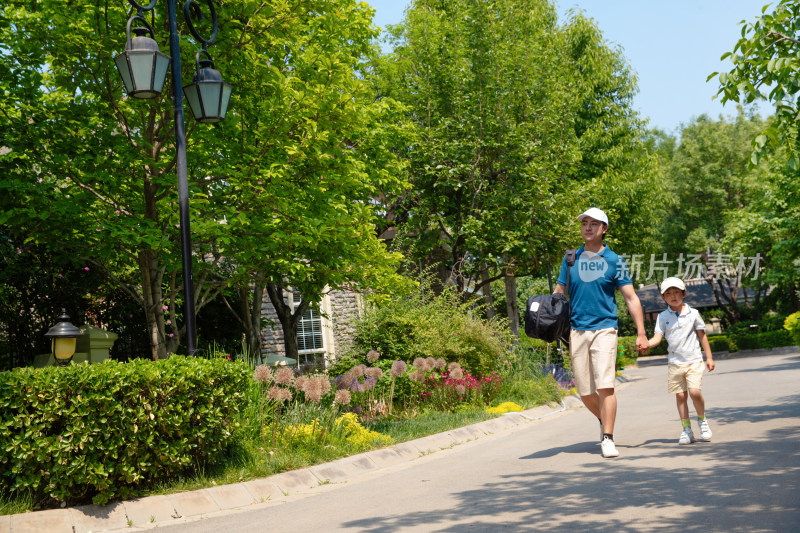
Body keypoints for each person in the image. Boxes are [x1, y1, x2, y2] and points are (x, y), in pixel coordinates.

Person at [554, 207, 648, 458]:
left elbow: (630, 297)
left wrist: (641, 332)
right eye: (584, 223)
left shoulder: (614, 261)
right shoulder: (570, 258)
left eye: (594, 223)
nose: (587, 227)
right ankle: (604, 418)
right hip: (577, 330)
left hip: (605, 328)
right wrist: (548, 315)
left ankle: (608, 437)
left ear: (604, 229)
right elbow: (559, 292)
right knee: (585, 392)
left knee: (605, 386)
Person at [645, 277, 715, 445]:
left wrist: (709, 357)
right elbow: (657, 338)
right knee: (681, 396)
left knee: (695, 392)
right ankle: (686, 430)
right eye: (668, 293)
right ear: (663, 297)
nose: (673, 296)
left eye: (676, 292)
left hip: (694, 361)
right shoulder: (662, 317)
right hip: (675, 363)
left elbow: (702, 336)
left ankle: (702, 421)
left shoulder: (694, 314)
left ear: (684, 293)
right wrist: (647, 344)